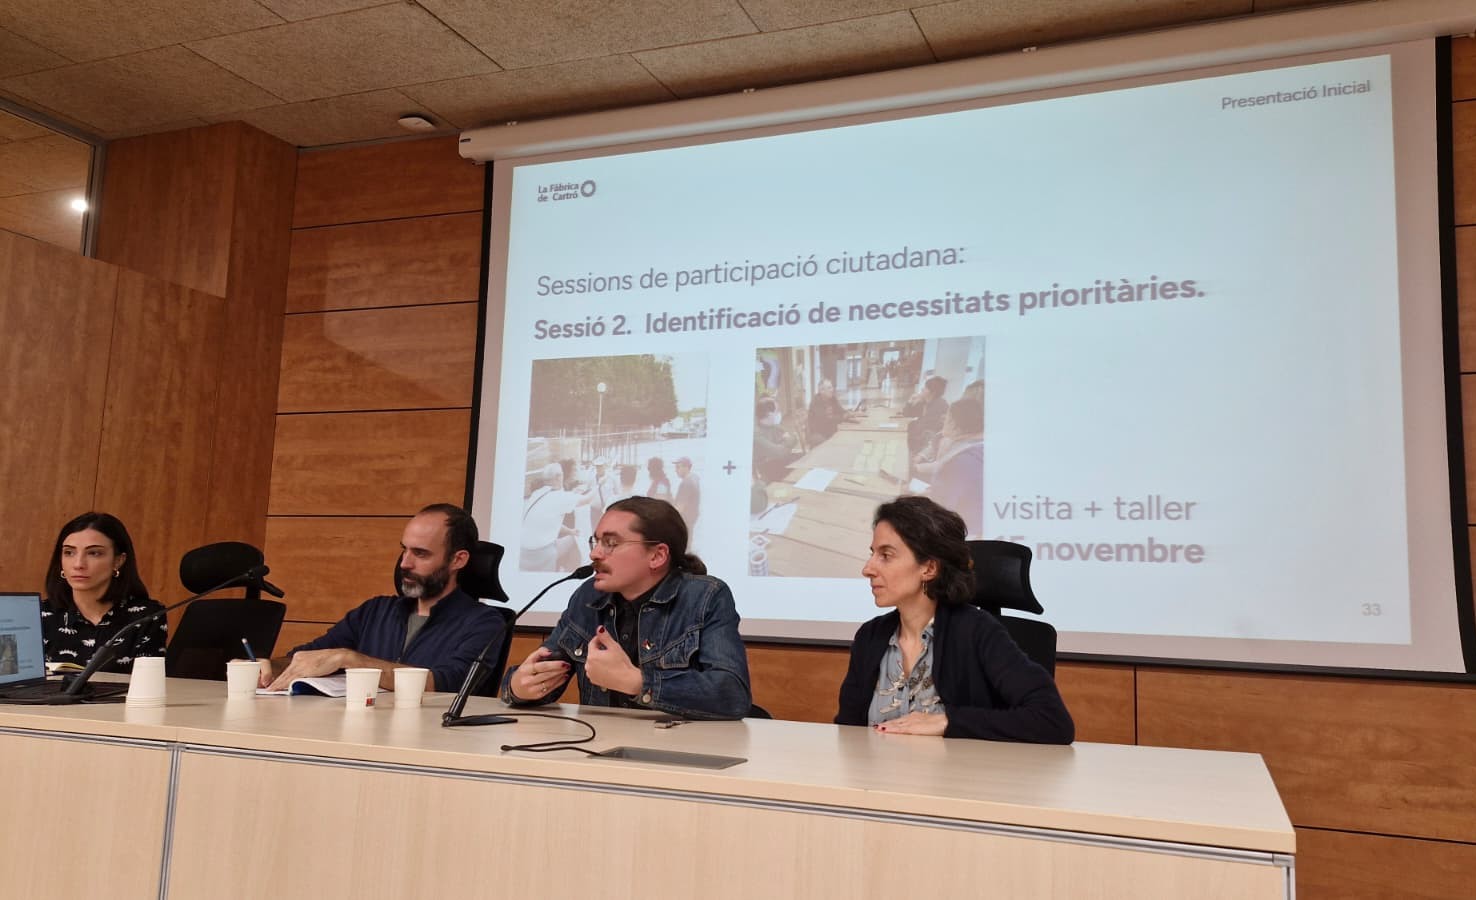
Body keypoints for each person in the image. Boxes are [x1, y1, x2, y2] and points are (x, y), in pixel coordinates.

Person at [835, 496, 1073, 742]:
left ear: (929, 568)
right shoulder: (870, 637)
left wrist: (947, 721)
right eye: (872, 554)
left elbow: (1052, 720)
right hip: (876, 768)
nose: (867, 569)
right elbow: (848, 733)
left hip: (959, 768)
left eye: (886, 555)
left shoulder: (977, 632)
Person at [502, 497, 751, 719]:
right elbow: (543, 673)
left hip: (677, 747)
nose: (594, 554)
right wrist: (519, 687)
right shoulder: (588, 596)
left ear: (657, 556)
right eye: (595, 541)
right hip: (600, 745)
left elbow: (732, 695)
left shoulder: (705, 597)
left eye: (610, 543)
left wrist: (637, 683)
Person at [263, 504, 503, 694]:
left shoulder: (484, 622)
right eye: (404, 549)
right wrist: (270, 667)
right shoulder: (374, 611)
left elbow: (450, 682)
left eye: (420, 553)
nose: (405, 563)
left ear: (458, 560)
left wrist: (351, 660)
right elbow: (309, 656)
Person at [40, 511, 164, 673]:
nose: (78, 564)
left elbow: (149, 682)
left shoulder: (146, 616)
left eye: (94, 553)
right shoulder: (40, 614)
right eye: (69, 552)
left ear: (118, 561)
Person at [916, 396, 985, 537]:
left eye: (947, 417)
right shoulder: (976, 446)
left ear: (956, 424)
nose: (943, 420)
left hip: (959, 532)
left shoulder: (962, 460)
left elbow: (941, 509)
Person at [520, 463, 592, 571]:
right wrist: (599, 485)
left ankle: (560, 567)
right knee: (577, 541)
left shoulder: (537, 494)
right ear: (558, 477)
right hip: (540, 554)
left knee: (571, 536)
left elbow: (548, 522)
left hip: (523, 552)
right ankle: (568, 574)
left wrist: (570, 531)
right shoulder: (558, 496)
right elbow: (587, 500)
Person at [753, 396, 799, 482]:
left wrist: (782, 445)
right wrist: (785, 442)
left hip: (779, 461)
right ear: (769, 414)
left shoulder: (774, 426)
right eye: (777, 411)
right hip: (767, 470)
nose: (779, 413)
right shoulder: (756, 435)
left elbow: (794, 438)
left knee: (802, 459)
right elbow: (779, 453)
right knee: (798, 469)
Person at [806, 378, 850, 446]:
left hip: (830, 431)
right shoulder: (816, 402)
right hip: (817, 433)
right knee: (832, 444)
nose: (832, 390)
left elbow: (841, 411)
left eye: (831, 387)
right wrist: (842, 417)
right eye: (829, 388)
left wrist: (846, 414)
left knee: (846, 440)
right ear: (822, 390)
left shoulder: (832, 399)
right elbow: (826, 420)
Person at [672, 456, 701, 534]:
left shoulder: (686, 483)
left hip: (684, 520)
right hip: (689, 520)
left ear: (686, 468)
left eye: (678, 467)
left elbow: (680, 506)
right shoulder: (694, 480)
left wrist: (670, 519)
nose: (676, 470)